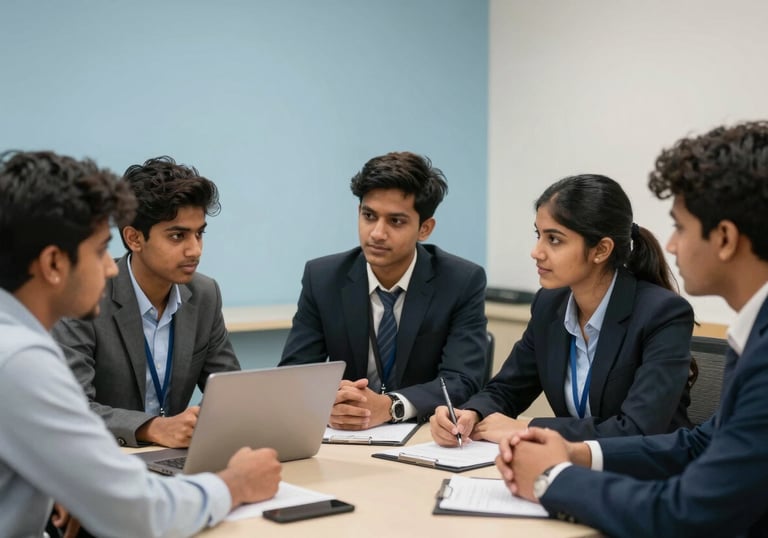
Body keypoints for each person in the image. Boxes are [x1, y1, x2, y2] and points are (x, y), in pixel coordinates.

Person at [497, 121, 768, 536]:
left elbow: (686, 513)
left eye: (679, 226)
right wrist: (577, 452)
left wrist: (553, 477)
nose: (671, 244)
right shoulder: (753, 334)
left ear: (726, 238)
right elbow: (698, 443)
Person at [0, 150, 281, 537]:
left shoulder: (13, 339)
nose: (110, 266)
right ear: (52, 264)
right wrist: (235, 484)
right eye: (99, 251)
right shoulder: (20, 361)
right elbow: (136, 512)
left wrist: (73, 487)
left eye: (199, 234)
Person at [431, 174, 695, 446]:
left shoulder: (663, 314)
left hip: (650, 474)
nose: (536, 251)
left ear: (601, 250)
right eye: (539, 235)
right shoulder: (550, 304)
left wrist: (529, 428)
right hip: (575, 470)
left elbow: (639, 429)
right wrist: (471, 413)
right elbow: (507, 389)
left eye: (554, 239)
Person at [279, 151, 487, 429]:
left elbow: (462, 380)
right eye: (369, 216)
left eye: (396, 221)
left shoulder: (461, 281)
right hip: (343, 436)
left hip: (423, 435)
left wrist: (392, 406)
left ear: (424, 228)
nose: (377, 233)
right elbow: (294, 373)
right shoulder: (323, 278)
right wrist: (330, 400)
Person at [52, 156, 240, 448]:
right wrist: (151, 428)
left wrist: (201, 422)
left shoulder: (205, 295)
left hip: (175, 458)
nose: (195, 250)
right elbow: (72, 408)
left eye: (199, 234)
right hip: (103, 458)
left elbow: (231, 389)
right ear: (134, 238)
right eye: (178, 236)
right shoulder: (84, 298)